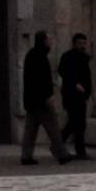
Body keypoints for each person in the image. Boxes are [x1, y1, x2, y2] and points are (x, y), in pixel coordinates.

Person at [21, 31, 71, 166]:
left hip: (32, 100)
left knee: (30, 129)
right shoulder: (39, 57)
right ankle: (62, 154)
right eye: (48, 39)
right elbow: (41, 80)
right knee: (53, 127)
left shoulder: (32, 55)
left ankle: (26, 156)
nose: (51, 42)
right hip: (41, 100)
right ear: (43, 41)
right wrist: (48, 96)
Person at [58, 33, 93, 159]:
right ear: (74, 44)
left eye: (84, 43)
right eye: (80, 43)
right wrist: (74, 84)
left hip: (81, 95)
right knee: (74, 122)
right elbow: (63, 72)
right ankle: (59, 144)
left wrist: (87, 92)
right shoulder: (68, 57)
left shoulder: (84, 57)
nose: (83, 46)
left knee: (80, 124)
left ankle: (80, 151)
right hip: (71, 95)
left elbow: (86, 76)